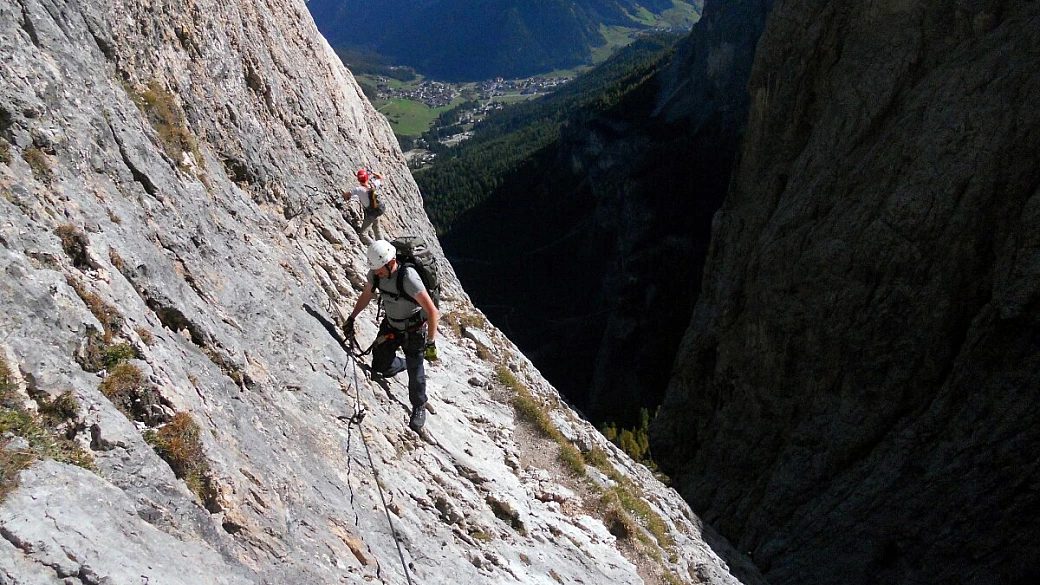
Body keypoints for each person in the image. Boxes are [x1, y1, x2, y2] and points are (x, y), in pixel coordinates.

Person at [344, 240, 439, 431]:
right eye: (376, 269)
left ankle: (419, 406)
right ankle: (401, 363)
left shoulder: (408, 277)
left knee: (416, 371)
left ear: (391, 262)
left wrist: (430, 342)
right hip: (391, 326)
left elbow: (432, 311)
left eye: (379, 269)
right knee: (379, 366)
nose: (376, 273)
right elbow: (366, 295)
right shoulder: (377, 273)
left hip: (414, 330)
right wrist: (352, 318)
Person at [343, 168, 385, 242]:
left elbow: (346, 194)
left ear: (358, 179)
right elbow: (380, 177)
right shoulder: (373, 185)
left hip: (370, 213)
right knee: (376, 229)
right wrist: (372, 172)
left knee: (363, 234)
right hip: (376, 210)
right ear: (367, 177)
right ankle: (383, 246)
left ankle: (375, 248)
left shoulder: (358, 189)